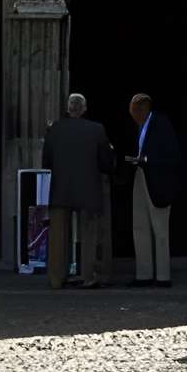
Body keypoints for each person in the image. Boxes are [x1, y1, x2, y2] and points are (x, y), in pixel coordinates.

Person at [40, 92, 113, 289]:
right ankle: (89, 276)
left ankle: (56, 277)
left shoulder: (54, 130)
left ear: (68, 109)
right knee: (90, 234)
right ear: (84, 109)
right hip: (88, 188)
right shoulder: (96, 129)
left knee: (58, 235)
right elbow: (106, 163)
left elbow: (46, 161)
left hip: (61, 188)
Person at [126, 93, 181, 289]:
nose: (132, 115)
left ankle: (163, 276)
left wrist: (147, 160)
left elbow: (172, 154)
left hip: (157, 181)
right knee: (139, 226)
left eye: (134, 110)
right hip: (141, 175)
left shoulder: (161, 124)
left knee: (160, 229)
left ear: (143, 109)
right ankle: (144, 274)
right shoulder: (141, 126)